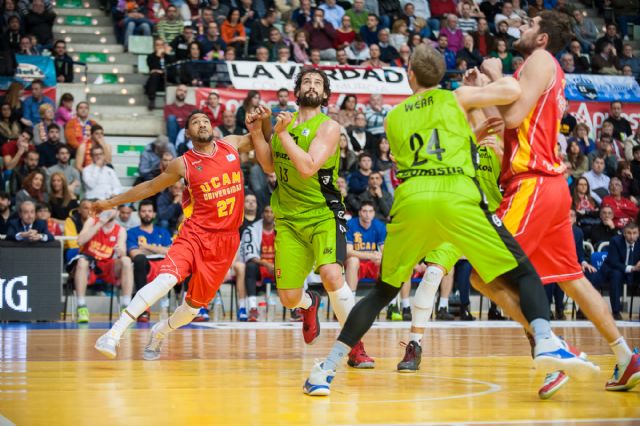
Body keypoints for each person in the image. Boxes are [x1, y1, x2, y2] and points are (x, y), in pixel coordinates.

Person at [303, 43, 595, 396]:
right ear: (441, 75)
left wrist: (466, 137)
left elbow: (422, 151)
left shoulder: (394, 117)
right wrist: (487, 77)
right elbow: (513, 91)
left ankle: (326, 368)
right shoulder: (456, 97)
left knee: (382, 291)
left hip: (412, 200)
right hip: (457, 195)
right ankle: (545, 339)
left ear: (411, 74)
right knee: (524, 274)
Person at [474, 11, 638, 395]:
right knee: (571, 279)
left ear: (543, 38)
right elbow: (501, 133)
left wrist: (495, 76)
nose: (522, 28)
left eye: (530, 24)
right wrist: (483, 92)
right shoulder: (534, 70)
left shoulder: (540, 62)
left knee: (483, 272)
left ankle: (551, 347)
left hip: (533, 184)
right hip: (546, 186)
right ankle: (626, 356)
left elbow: (512, 116)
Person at [93, 108, 271, 359]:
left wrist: (266, 118)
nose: (202, 124)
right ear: (187, 132)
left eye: (206, 120)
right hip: (195, 234)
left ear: (213, 127)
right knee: (166, 280)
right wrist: (110, 203)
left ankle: (161, 331)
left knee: (192, 309)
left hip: (226, 240)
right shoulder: (183, 163)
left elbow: (263, 139)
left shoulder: (230, 145)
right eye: (195, 122)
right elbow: (149, 188)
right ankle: (114, 333)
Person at [251, 68, 375, 368]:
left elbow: (307, 167)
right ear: (297, 90)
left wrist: (279, 132)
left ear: (324, 94)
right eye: (306, 81)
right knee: (289, 298)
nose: (311, 85)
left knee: (332, 273)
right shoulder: (285, 121)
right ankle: (310, 304)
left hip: (323, 213)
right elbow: (269, 165)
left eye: (317, 83)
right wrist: (257, 131)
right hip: (289, 219)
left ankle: (355, 346)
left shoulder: (329, 127)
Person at [71, 208, 133, 323]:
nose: (110, 212)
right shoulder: (92, 221)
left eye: (113, 209)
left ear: (117, 212)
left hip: (108, 265)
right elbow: (80, 241)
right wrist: (100, 223)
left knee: (126, 261)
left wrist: (120, 251)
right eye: (108, 208)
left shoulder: (120, 230)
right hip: (90, 262)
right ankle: (81, 307)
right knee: (82, 262)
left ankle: (126, 307)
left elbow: (123, 252)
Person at [127, 200, 173, 322]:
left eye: (149, 211)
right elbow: (134, 253)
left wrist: (146, 247)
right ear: (139, 214)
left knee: (186, 260)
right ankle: (143, 309)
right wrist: (158, 250)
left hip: (165, 267)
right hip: (145, 266)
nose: (147, 214)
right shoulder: (132, 232)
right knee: (140, 260)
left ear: (154, 214)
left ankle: (191, 309)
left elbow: (170, 251)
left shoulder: (163, 231)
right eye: (143, 211)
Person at [239, 205, 276, 321]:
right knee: (250, 266)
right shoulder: (251, 229)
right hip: (260, 268)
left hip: (278, 269)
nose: (269, 214)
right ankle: (253, 308)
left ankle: (295, 310)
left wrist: (276, 266)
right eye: (266, 211)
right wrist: (266, 264)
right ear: (262, 214)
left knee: (291, 269)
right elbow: (249, 255)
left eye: (271, 212)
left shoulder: (282, 230)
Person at [344, 201, 386, 293]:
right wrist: (370, 255)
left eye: (370, 211)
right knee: (353, 260)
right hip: (356, 263)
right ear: (359, 212)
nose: (368, 214)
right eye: (364, 211)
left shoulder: (379, 226)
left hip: (372, 263)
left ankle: (387, 299)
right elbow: (348, 251)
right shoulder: (350, 224)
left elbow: (384, 250)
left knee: (383, 260)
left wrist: (380, 256)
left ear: (374, 213)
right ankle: (351, 298)